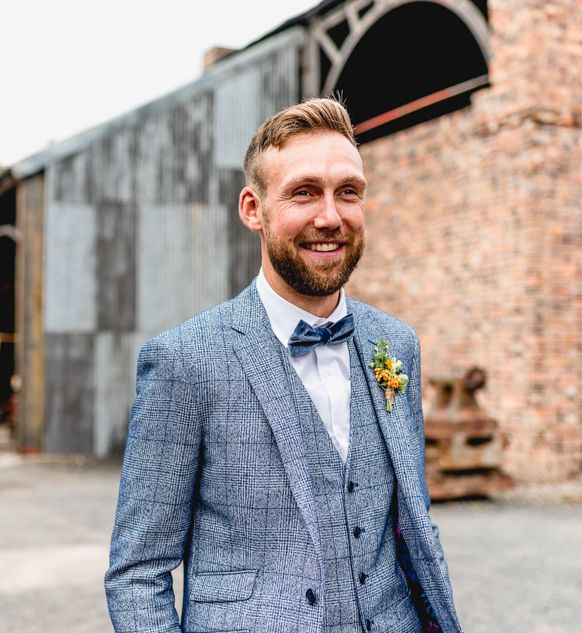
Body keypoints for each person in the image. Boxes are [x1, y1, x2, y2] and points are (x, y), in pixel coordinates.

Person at [105, 98, 462, 633]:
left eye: (348, 192)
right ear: (253, 209)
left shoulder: (397, 345)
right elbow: (138, 571)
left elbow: (409, 523)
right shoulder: (184, 361)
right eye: (304, 192)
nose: (331, 217)